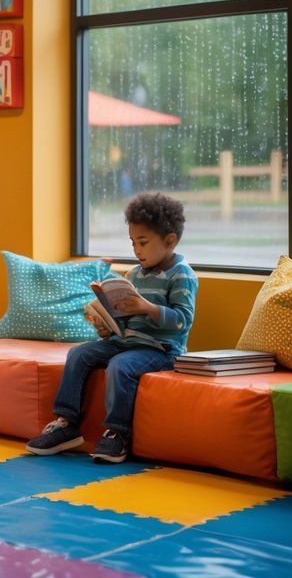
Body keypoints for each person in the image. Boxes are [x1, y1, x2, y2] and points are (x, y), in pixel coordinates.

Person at [26, 192, 197, 464]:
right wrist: (106, 325)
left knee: (120, 364)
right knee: (79, 354)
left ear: (169, 241)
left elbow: (182, 320)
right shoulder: (135, 274)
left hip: (161, 349)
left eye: (143, 242)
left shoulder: (182, 274)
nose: (136, 250)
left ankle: (118, 434)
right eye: (132, 242)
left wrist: (146, 308)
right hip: (125, 341)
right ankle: (66, 423)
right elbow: (124, 320)